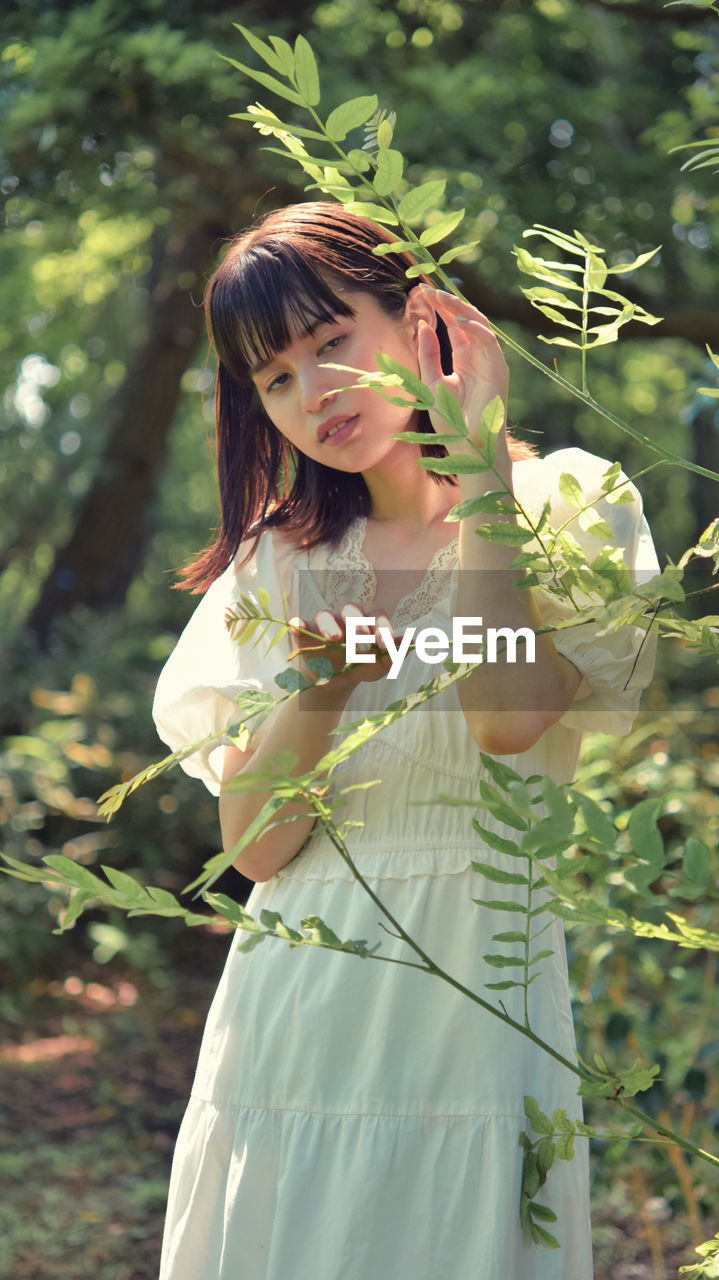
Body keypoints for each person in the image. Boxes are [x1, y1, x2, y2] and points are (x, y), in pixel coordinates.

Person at [152, 201, 658, 1279]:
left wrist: (476, 465)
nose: (311, 393)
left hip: (476, 978)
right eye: (275, 377)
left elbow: (511, 714)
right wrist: (320, 690)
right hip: (298, 992)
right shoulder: (280, 562)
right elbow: (253, 848)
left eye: (330, 341)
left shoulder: (560, 504)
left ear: (418, 316)